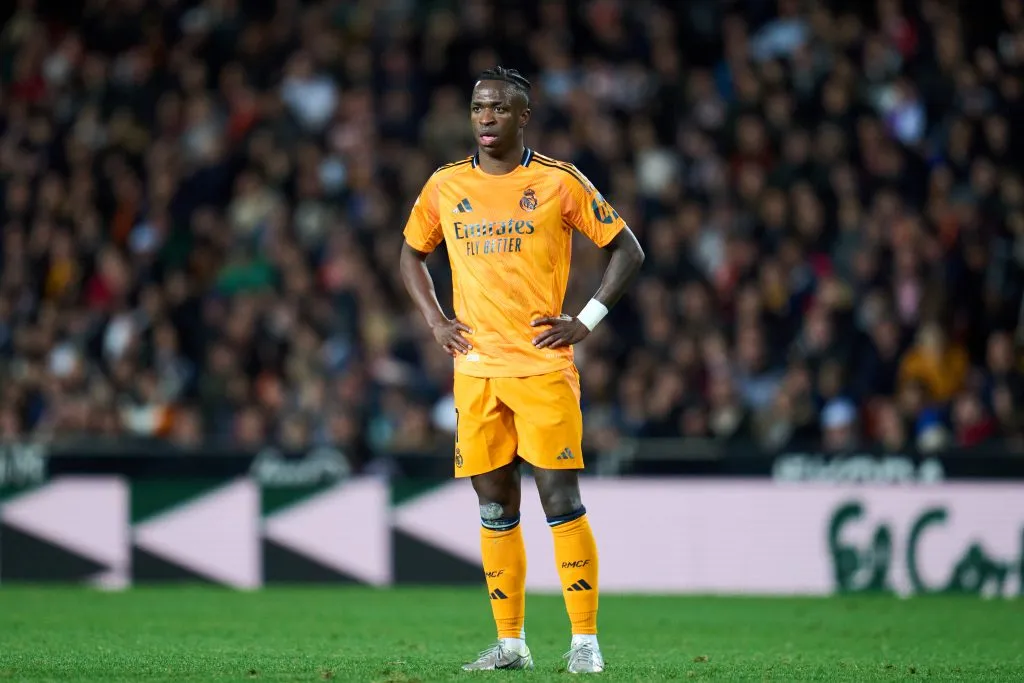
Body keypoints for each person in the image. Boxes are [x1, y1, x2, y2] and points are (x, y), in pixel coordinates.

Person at [400, 66, 644, 674]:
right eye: (478, 107)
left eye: (499, 109)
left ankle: (584, 642)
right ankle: (511, 644)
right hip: (475, 371)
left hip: (541, 368)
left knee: (560, 498)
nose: (486, 118)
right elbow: (409, 253)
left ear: (523, 116)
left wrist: (585, 320)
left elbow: (627, 250)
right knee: (494, 507)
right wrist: (435, 320)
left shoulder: (558, 182)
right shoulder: (444, 185)